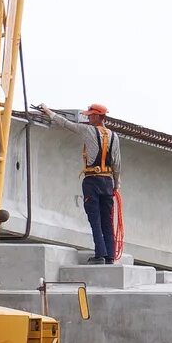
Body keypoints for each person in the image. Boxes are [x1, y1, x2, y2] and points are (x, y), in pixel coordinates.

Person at [34, 102, 121, 263]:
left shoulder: (88, 130)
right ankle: (110, 255)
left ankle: (100, 254)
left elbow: (66, 124)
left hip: (92, 181)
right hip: (107, 181)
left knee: (94, 219)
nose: (88, 118)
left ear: (96, 116)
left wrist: (48, 111)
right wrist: (116, 184)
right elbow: (117, 163)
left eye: (90, 116)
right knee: (107, 220)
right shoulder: (114, 137)